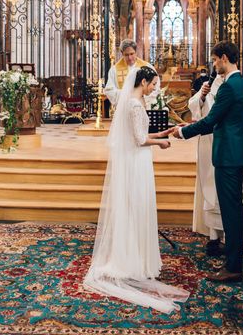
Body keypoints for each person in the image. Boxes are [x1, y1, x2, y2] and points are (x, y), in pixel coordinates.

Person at [84, 66, 189, 313]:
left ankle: (140, 258)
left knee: (139, 206)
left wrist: (162, 132)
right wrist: (161, 142)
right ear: (143, 81)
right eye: (154, 83)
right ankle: (131, 260)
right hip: (136, 161)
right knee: (136, 206)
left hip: (140, 159)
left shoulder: (136, 100)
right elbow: (139, 140)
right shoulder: (132, 103)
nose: (156, 88)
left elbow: (140, 133)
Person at [172, 41, 243, 282]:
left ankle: (233, 266)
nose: (214, 64)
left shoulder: (229, 87)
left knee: (231, 211)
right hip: (237, 152)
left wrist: (183, 132)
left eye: (216, 59)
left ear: (225, 58)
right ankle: (234, 259)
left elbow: (211, 121)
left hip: (227, 155)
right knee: (234, 209)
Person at [188, 71, 243, 255]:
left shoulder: (239, 87)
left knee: (230, 195)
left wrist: (236, 128)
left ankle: (231, 241)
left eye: (215, 60)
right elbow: (195, 108)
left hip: (229, 146)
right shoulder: (209, 86)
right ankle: (214, 237)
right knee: (210, 189)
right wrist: (202, 96)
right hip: (210, 144)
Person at [104, 39, 159, 107]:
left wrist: (142, 100)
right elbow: (109, 90)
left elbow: (155, 87)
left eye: (132, 54)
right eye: (126, 55)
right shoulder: (114, 70)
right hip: (123, 108)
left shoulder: (147, 67)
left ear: (136, 52)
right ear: (122, 53)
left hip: (142, 106)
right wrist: (127, 96)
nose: (130, 58)